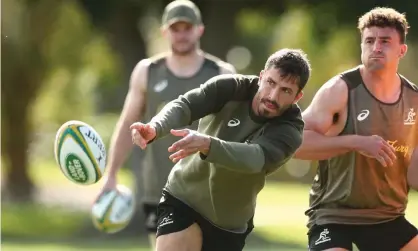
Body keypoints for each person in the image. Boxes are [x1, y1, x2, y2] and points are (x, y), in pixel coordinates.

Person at [129, 48, 311, 251]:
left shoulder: (290, 129)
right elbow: (185, 105)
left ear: (297, 96)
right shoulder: (231, 88)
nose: (273, 95)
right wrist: (155, 127)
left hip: (228, 222)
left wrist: (208, 144)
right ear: (261, 77)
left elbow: (255, 158)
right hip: (183, 197)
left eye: (286, 90)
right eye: (271, 83)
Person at [100, 0, 235, 249]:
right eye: (176, 28)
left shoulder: (222, 73)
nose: (182, 34)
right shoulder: (147, 71)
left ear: (199, 29)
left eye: (187, 27)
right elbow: (127, 122)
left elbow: (234, 132)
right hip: (159, 189)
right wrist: (111, 174)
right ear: (165, 31)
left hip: (207, 191)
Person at [294, 7, 418, 251]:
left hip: (387, 217)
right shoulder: (339, 90)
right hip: (333, 217)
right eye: (369, 41)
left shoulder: (414, 99)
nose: (376, 48)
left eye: (385, 41)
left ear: (401, 50)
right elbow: (296, 143)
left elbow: (414, 175)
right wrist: (356, 142)